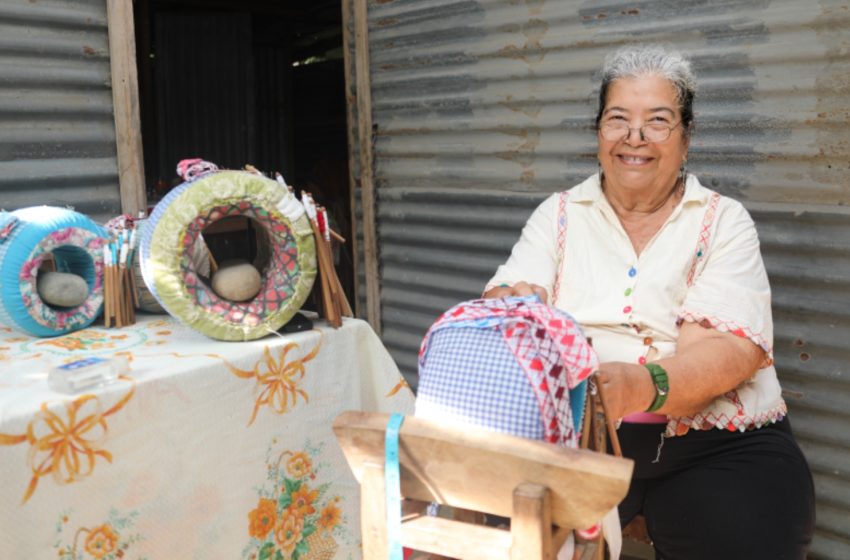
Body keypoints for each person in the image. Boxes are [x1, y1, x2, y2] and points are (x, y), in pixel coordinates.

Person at [483, 44, 815, 559]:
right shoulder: (560, 214)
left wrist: (641, 385)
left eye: (658, 121)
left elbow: (725, 354)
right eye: (618, 119)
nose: (634, 138)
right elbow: (508, 299)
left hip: (716, 440)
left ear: (686, 139)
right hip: (584, 437)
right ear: (598, 134)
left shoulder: (723, 221)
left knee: (748, 537)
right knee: (502, 536)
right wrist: (513, 308)